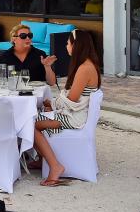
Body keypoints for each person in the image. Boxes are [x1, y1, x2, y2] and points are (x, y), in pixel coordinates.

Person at [32, 29, 102, 187]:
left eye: (68, 43)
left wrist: (53, 103)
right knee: (42, 115)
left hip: (74, 117)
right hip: (76, 114)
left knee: (31, 125)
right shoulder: (89, 65)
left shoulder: (85, 68)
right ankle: (41, 159)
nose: (66, 46)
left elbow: (72, 99)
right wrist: (53, 104)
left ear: (75, 45)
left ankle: (55, 166)